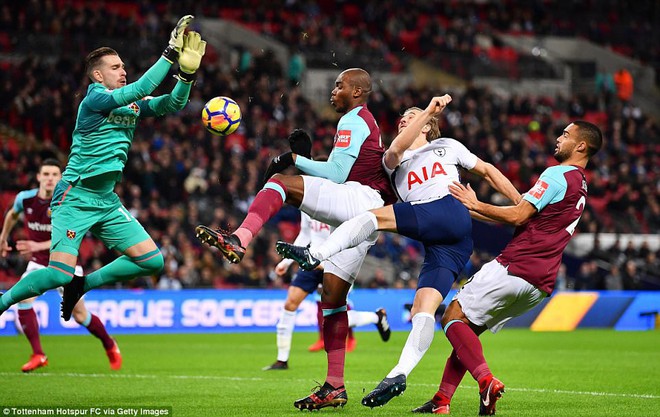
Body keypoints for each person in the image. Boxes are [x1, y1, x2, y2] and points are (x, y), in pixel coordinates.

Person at [276, 95, 520, 408]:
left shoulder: (448, 145)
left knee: (371, 218)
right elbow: (395, 147)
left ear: (429, 127)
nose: (404, 120)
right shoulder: (393, 162)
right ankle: (399, 374)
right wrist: (427, 111)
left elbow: (487, 170)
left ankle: (316, 256)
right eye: (402, 117)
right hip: (444, 237)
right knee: (424, 310)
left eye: (411, 116)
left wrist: (522, 205)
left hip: (447, 213)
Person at [195, 68, 397, 410]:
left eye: (340, 85)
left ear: (358, 92)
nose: (333, 91)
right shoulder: (364, 122)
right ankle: (334, 385)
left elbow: (335, 176)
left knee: (280, 183)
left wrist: (292, 160)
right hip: (368, 218)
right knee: (332, 301)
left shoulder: (353, 119)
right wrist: (307, 162)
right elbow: (338, 172)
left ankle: (240, 238)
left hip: (357, 200)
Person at [0, 16, 206, 322]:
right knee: (58, 274)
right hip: (75, 196)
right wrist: (169, 54)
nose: (123, 72)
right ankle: (3, 301)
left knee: (151, 261)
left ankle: (83, 285)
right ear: (98, 75)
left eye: (123, 67)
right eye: (115, 68)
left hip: (106, 200)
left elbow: (171, 105)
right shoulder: (94, 99)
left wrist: (187, 76)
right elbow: (141, 88)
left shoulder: (131, 104)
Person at [411, 120, 602, 415]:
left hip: (517, 266)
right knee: (468, 331)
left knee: (451, 317)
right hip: (540, 283)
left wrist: (475, 203)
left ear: (581, 146)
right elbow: (525, 219)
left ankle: (486, 381)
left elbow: (518, 215)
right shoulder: (580, 183)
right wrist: (472, 209)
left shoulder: (557, 175)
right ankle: (441, 401)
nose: (558, 138)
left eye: (565, 135)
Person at [0, 159, 121, 372]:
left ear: (61, 177)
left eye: (54, 175)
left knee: (80, 315)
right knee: (24, 300)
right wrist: (3, 237)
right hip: (39, 264)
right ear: (38, 177)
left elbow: (73, 236)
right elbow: (12, 214)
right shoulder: (25, 199)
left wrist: (37, 244)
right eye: (45, 174)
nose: (49, 178)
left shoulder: (69, 202)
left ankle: (109, 344)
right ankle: (38, 354)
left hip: (67, 265)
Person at [263, 212, 390, 371]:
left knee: (333, 317)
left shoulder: (338, 201)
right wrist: (287, 261)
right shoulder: (306, 202)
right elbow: (305, 234)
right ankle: (282, 360)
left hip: (338, 262)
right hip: (312, 261)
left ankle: (376, 317)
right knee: (290, 304)